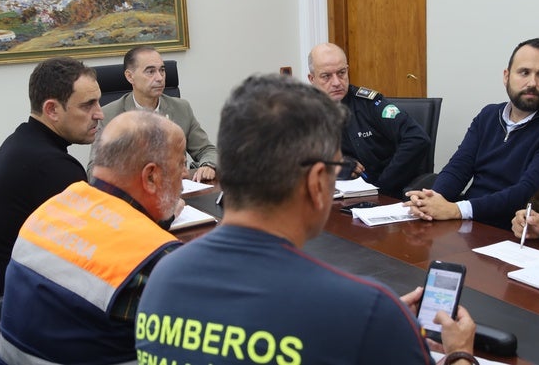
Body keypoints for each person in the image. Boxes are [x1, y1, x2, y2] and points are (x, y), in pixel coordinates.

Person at [135, 74, 477, 364]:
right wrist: (459, 354)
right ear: (316, 182)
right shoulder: (367, 310)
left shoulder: (163, 275)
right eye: (336, 169)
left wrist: (373, 321)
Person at [0, 111, 186, 364]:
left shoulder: (49, 209)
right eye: (180, 165)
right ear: (150, 177)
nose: (183, 178)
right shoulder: (155, 261)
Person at [406, 37, 539, 230]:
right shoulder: (489, 115)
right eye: (524, 72)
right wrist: (432, 200)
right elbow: (458, 167)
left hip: (512, 232)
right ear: (506, 76)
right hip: (469, 225)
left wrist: (457, 210)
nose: (532, 82)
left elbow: (525, 192)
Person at [0, 57, 104, 299]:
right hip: (20, 302)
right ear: (52, 109)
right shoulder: (53, 167)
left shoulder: (20, 141)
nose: (99, 114)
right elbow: (98, 247)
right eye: (88, 105)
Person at [307, 42, 430, 198]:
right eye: (326, 76)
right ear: (312, 79)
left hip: (385, 193)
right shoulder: (304, 112)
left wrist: (381, 186)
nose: (337, 82)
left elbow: (418, 139)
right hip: (337, 196)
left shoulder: (370, 104)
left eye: (341, 73)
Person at [89, 45, 217, 182]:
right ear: (130, 76)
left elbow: (207, 150)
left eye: (162, 70)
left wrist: (208, 165)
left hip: (179, 195)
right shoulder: (109, 116)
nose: (159, 78)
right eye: (150, 71)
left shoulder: (181, 108)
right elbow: (94, 171)